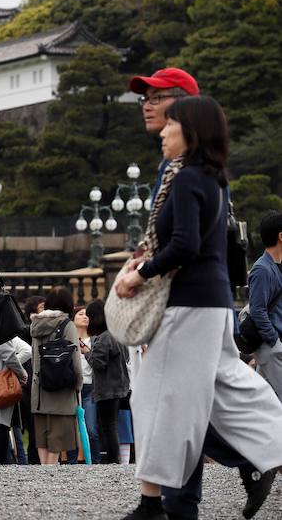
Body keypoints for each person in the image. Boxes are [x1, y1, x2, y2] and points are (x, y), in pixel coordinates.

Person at [114, 96, 282, 520]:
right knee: (215, 391)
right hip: (211, 301)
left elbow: (185, 245)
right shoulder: (215, 178)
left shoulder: (188, 178)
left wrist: (141, 273)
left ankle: (157, 501)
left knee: (161, 400)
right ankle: (160, 498)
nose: (164, 133)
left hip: (188, 303)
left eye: (171, 124)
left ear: (189, 131)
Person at [29, 287, 83, 466]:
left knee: (42, 434)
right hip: (61, 389)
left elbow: (35, 358)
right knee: (57, 435)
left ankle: (45, 470)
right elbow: (75, 360)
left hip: (39, 390)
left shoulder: (35, 324)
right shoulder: (67, 325)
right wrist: (78, 384)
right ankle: (51, 472)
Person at [84, 299, 129, 464]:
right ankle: (113, 459)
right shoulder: (117, 334)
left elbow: (98, 363)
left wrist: (87, 353)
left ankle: (111, 460)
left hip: (107, 388)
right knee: (112, 425)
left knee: (108, 426)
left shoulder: (103, 337)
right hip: (119, 386)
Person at [250, 211, 282, 399]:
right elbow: (257, 310)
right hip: (272, 347)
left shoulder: (274, 267)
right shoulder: (262, 269)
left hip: (272, 347)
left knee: (263, 403)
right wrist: (274, 341)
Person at [0, 336, 32, 464]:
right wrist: (18, 370)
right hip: (1, 382)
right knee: (1, 424)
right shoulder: (5, 334)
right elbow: (27, 350)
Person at [71, 305, 100, 464]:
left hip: (90, 388)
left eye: (87, 314)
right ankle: (71, 463)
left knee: (91, 429)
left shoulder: (96, 340)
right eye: (80, 314)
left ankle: (95, 463)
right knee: (71, 430)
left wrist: (87, 352)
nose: (85, 316)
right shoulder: (69, 340)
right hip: (72, 389)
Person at [19, 295, 44, 465]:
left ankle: (35, 459)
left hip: (41, 381)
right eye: (42, 307)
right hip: (27, 383)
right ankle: (31, 459)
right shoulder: (25, 329)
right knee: (31, 424)